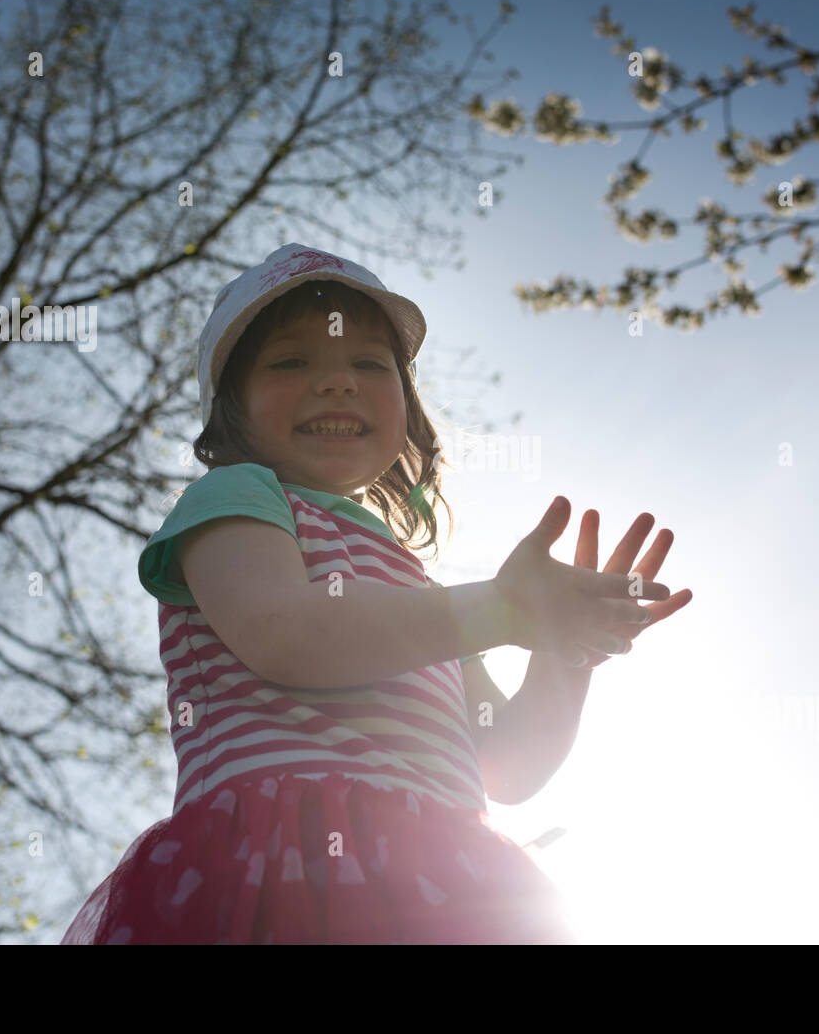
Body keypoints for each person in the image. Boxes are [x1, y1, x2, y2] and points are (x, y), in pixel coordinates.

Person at [60, 242, 691, 944]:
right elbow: (288, 633)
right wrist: (504, 608)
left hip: (440, 884)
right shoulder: (236, 496)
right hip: (277, 869)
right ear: (230, 409)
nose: (337, 382)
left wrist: (565, 654)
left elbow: (509, 763)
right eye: (291, 361)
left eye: (368, 363)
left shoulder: (420, 594)